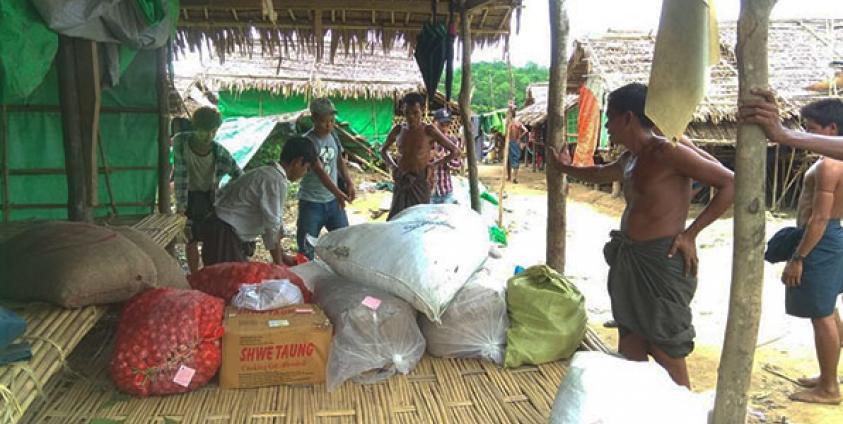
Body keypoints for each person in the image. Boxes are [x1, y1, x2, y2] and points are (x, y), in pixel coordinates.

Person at [550, 83, 735, 388]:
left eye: (610, 118)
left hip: (661, 261)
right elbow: (598, 173)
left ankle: (683, 409)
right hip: (631, 260)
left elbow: (730, 183)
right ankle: (640, 408)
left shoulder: (668, 152)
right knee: (631, 341)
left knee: (665, 348)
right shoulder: (630, 159)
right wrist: (564, 168)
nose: (606, 126)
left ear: (628, 118)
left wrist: (691, 234)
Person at [770, 99, 843, 405]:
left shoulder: (829, 165)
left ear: (832, 129)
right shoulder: (831, 161)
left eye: (811, 128)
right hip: (829, 236)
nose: (805, 133)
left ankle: (829, 388)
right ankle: (829, 375)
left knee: (820, 314)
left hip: (821, 238)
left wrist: (798, 258)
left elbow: (820, 217)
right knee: (828, 308)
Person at [198, 136, 316, 267]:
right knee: (228, 277)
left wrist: (281, 256)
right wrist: (279, 262)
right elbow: (272, 225)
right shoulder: (275, 180)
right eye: (307, 168)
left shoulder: (268, 173)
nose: (305, 173)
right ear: (298, 162)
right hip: (224, 233)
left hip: (223, 230)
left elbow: (270, 222)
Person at [172, 107, 243, 273]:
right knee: (190, 238)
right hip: (188, 197)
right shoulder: (180, 142)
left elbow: (240, 176)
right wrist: (180, 207)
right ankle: (195, 275)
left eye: (213, 131)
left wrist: (225, 193)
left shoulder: (220, 153)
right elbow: (180, 176)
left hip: (209, 198)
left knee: (211, 237)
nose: (209, 136)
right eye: (204, 131)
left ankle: (209, 274)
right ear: (195, 127)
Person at [380, 92, 460, 220]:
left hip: (421, 181)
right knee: (396, 218)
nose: (411, 117)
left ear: (422, 111)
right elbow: (383, 151)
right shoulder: (398, 130)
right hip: (402, 179)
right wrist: (393, 167)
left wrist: (433, 165)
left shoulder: (429, 130)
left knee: (419, 219)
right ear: (402, 111)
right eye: (407, 113)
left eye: (415, 113)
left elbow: (455, 151)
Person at [296, 98, 356, 260]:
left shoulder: (333, 136)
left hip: (333, 202)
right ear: (314, 119)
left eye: (332, 121)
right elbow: (320, 172)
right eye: (324, 121)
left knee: (344, 243)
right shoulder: (308, 141)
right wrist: (338, 193)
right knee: (306, 249)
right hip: (311, 203)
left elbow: (339, 160)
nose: (329, 125)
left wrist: (349, 182)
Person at [430, 108, 463, 204]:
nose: (444, 128)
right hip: (429, 194)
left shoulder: (453, 141)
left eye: (447, 125)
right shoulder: (427, 141)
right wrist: (430, 156)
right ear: (434, 123)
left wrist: (446, 159)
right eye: (441, 125)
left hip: (446, 191)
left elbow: (458, 164)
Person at [506, 108, 528, 183]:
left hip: (512, 142)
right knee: (513, 159)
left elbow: (526, 130)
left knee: (513, 159)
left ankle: (513, 177)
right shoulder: (517, 123)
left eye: (508, 114)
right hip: (513, 142)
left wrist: (519, 137)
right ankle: (513, 177)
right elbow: (526, 130)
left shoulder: (512, 123)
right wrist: (519, 137)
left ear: (511, 115)